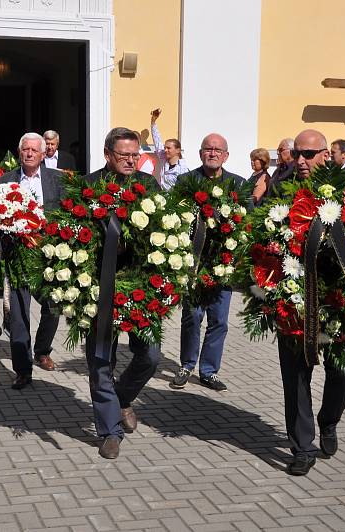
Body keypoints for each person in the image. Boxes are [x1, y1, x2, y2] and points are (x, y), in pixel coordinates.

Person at [268, 129, 345, 476]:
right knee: (296, 377)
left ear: (327, 153)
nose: (301, 160)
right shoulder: (281, 189)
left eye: (309, 154)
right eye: (297, 154)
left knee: (344, 369)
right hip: (294, 300)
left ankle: (329, 420)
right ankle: (302, 446)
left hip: (338, 299)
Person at [84, 127, 161, 459]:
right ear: (107, 154)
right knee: (102, 360)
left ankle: (121, 397)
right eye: (124, 155)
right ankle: (109, 431)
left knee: (150, 356)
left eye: (135, 154)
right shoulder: (87, 187)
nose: (131, 160)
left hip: (141, 288)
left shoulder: (149, 186)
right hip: (98, 287)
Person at [171, 133, 245, 393]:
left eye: (217, 150)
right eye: (207, 149)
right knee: (192, 317)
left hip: (223, 264)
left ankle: (209, 371)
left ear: (226, 155)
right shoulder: (186, 181)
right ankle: (186, 365)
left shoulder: (238, 184)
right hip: (194, 263)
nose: (212, 153)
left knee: (219, 321)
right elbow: (175, 217)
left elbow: (244, 223)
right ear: (201, 153)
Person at [0, 133, 63, 388]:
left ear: (44, 153)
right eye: (25, 149)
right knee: (18, 316)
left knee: (53, 307)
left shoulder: (56, 180)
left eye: (34, 150)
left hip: (49, 258)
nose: (29, 154)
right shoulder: (5, 181)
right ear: (19, 151)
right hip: (17, 259)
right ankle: (23, 370)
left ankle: (42, 350)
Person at [149, 108, 189, 190]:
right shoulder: (164, 158)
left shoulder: (183, 169)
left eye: (168, 148)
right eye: (165, 148)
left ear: (178, 150)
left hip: (175, 200)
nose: (165, 150)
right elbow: (157, 141)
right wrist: (153, 122)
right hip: (162, 198)